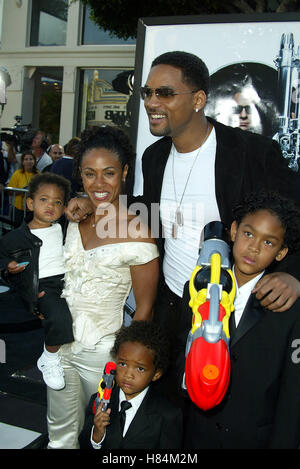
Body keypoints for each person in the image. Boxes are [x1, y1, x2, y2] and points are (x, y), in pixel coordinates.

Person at [66, 51, 300, 340]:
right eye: (147, 92)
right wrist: (96, 202)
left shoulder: (251, 153)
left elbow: (293, 216)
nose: (151, 102)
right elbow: (150, 209)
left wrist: (294, 274)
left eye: (164, 93)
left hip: (227, 310)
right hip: (170, 306)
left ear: (198, 100)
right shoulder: (155, 156)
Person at [46, 125, 159, 449]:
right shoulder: (75, 217)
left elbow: (145, 309)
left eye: (108, 173)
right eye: (89, 174)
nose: (98, 184)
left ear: (124, 172)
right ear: (79, 174)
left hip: (105, 355)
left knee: (105, 436)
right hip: (60, 346)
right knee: (60, 434)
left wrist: (128, 364)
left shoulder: (138, 231)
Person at [183, 191, 300, 448]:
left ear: (281, 253)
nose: (255, 248)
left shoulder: (289, 307)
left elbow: (292, 396)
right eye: (249, 234)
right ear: (234, 231)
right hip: (197, 432)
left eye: (269, 243)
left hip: (252, 437)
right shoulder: (198, 288)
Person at [0, 173, 74, 390]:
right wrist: (8, 267)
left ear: (64, 208)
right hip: (43, 286)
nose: (50, 205)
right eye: (44, 199)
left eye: (57, 202)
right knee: (61, 318)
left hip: (68, 282)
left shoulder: (66, 230)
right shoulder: (16, 237)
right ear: (30, 203)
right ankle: (49, 358)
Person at [78, 320, 183, 449]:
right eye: (122, 364)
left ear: (156, 374)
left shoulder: (167, 415)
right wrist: (96, 436)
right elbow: (83, 443)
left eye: (140, 368)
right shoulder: (99, 401)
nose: (128, 374)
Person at [8, 150, 39, 227]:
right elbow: (10, 191)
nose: (29, 161)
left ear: (34, 161)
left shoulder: (38, 174)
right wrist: (23, 191)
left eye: (31, 159)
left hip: (33, 209)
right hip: (19, 209)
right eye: (26, 159)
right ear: (22, 162)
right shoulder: (17, 174)